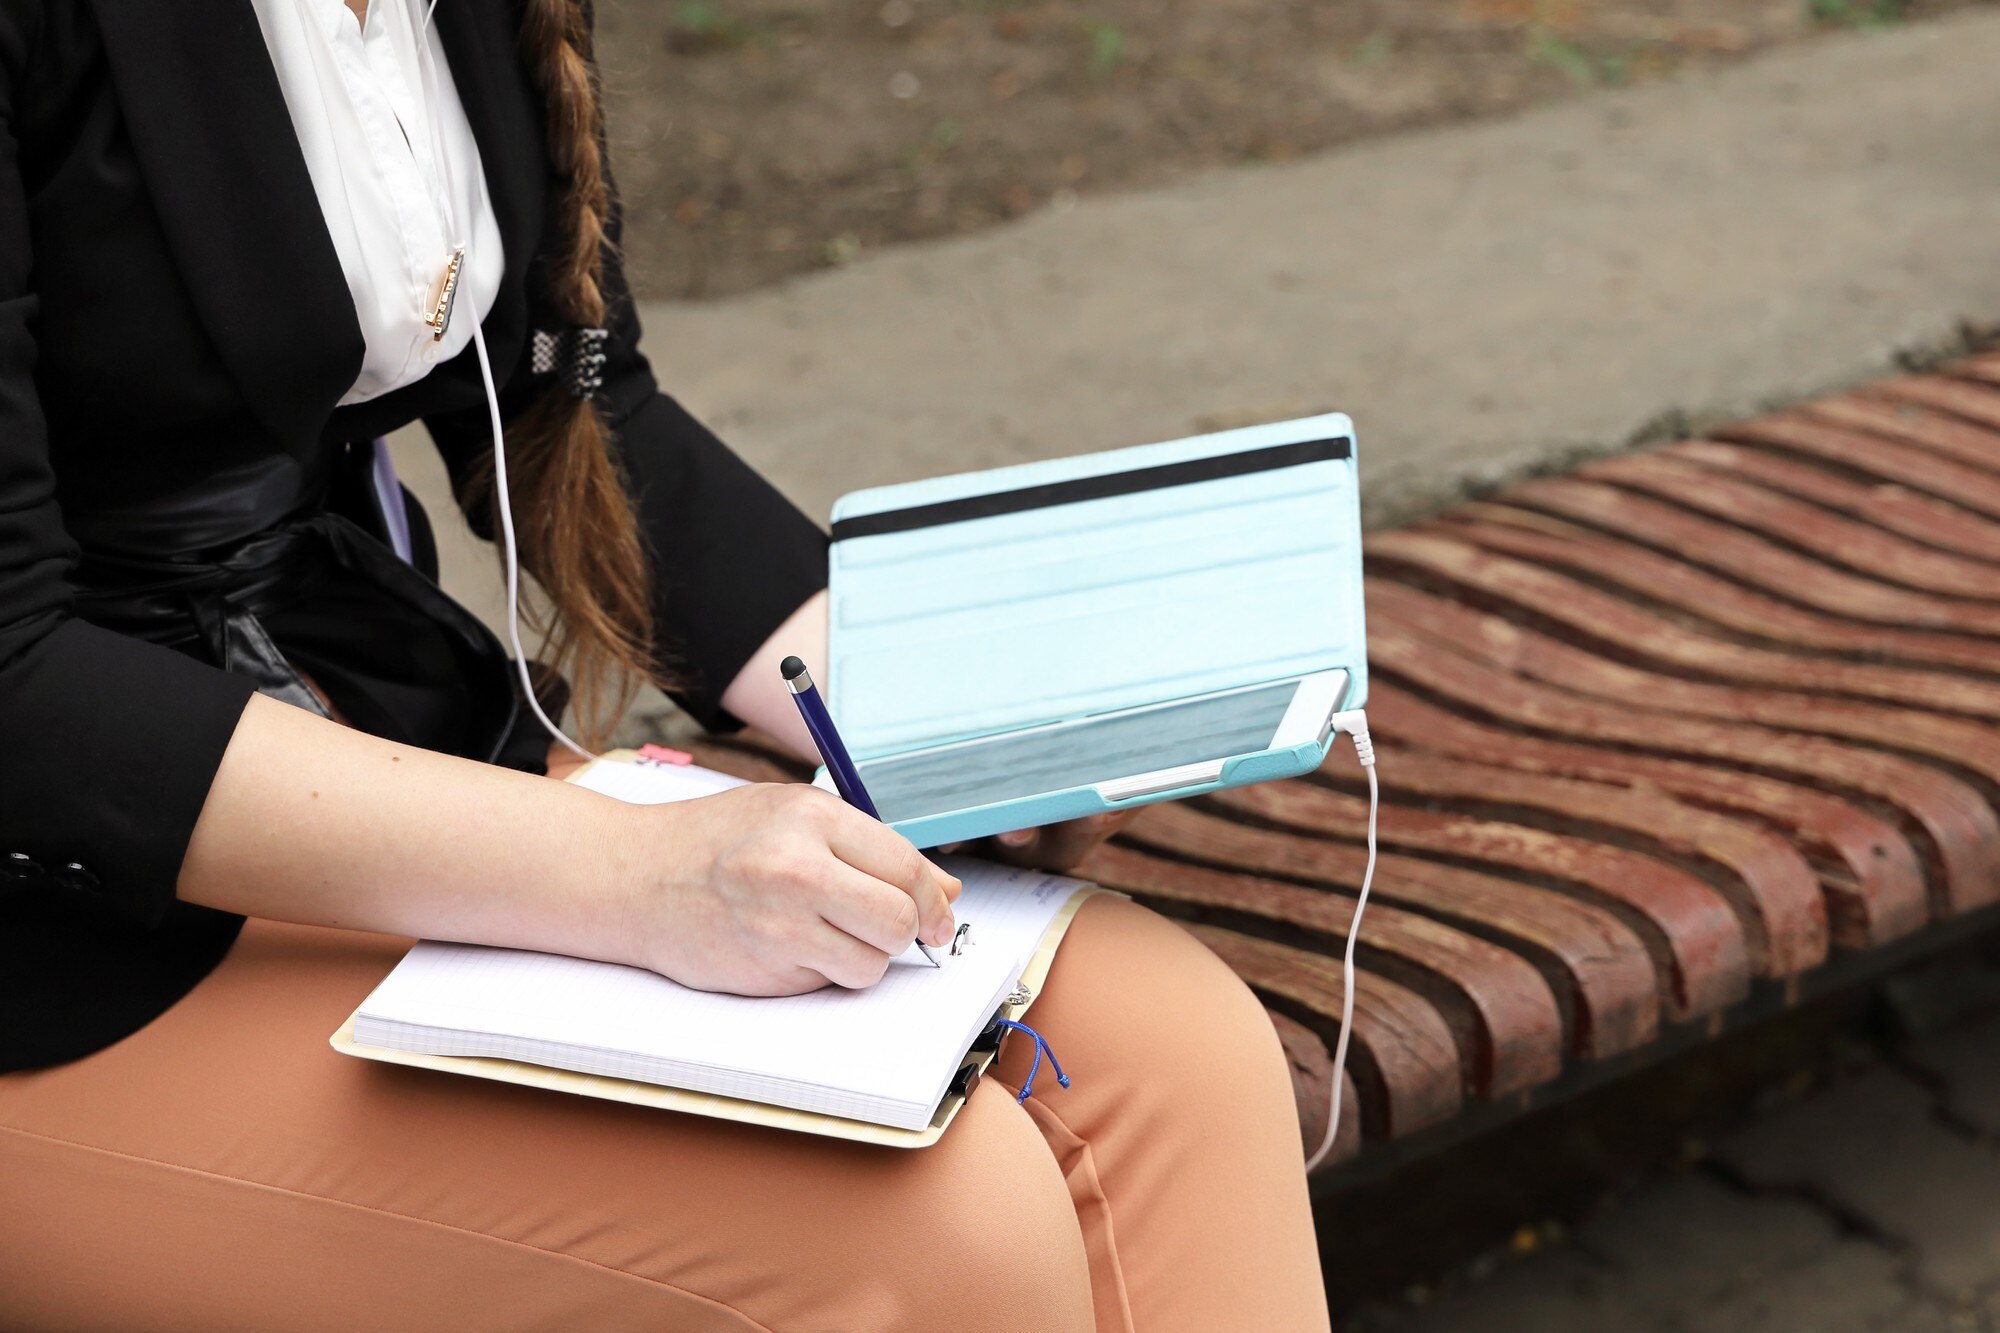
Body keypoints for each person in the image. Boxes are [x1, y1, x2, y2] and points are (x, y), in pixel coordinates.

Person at [0, 0, 1329, 1325]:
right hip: (63, 923)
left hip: (363, 717)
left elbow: (560, 391)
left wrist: (937, 717)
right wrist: (643, 875)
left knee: (1181, 1054)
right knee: (935, 1228)